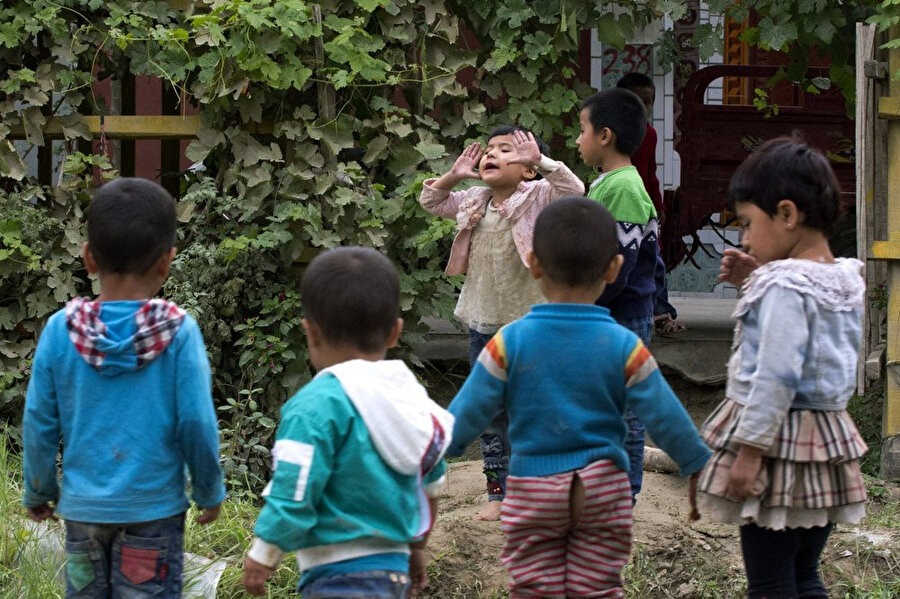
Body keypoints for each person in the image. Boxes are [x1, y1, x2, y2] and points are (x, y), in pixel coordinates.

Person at [446, 197, 710, 597]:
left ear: (532, 263)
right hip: (602, 489)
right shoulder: (625, 346)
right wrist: (696, 462)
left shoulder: (508, 342)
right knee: (599, 588)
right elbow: (664, 415)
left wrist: (430, 452)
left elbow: (468, 413)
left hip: (533, 486)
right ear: (614, 268)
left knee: (534, 588)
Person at [22, 178, 225, 598]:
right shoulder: (179, 333)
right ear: (167, 261)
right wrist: (208, 489)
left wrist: (39, 489)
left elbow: (39, 421)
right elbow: (196, 422)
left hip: (83, 515)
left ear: (89, 258)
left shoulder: (62, 331)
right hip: (154, 514)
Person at [696, 137, 868, 598]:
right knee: (805, 574)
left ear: (788, 214)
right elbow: (810, 343)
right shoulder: (843, 278)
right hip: (825, 443)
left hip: (778, 449)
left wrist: (750, 451)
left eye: (749, 224)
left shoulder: (783, 287)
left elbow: (777, 372)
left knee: (770, 583)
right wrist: (755, 278)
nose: (745, 239)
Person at [241, 247, 455, 598]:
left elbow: (294, 490)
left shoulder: (314, 405)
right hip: (393, 573)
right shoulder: (410, 400)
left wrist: (263, 555)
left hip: (335, 579)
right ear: (395, 333)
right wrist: (416, 549)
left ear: (310, 332)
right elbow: (430, 487)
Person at [420, 125, 584, 520]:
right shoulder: (474, 200)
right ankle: (499, 495)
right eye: (488, 149)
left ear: (527, 169)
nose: (491, 154)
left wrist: (541, 162)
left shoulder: (538, 196)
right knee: (492, 412)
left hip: (531, 326)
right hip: (484, 323)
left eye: (506, 150)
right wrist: (455, 174)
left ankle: (544, 489)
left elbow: (574, 190)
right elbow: (430, 200)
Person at [577, 87, 666, 503]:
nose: (578, 140)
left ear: (605, 135)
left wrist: (585, 307)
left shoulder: (624, 188)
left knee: (626, 414)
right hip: (613, 315)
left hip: (621, 317)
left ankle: (623, 498)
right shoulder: (609, 183)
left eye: (582, 130)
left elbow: (620, 265)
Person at [616, 72, 685, 335]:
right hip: (624, 207)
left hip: (644, 210)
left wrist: (658, 207)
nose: (644, 107)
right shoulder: (610, 135)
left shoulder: (650, 133)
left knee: (653, 260)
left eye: (649, 101)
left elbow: (650, 174)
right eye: (637, 100)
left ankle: (662, 312)